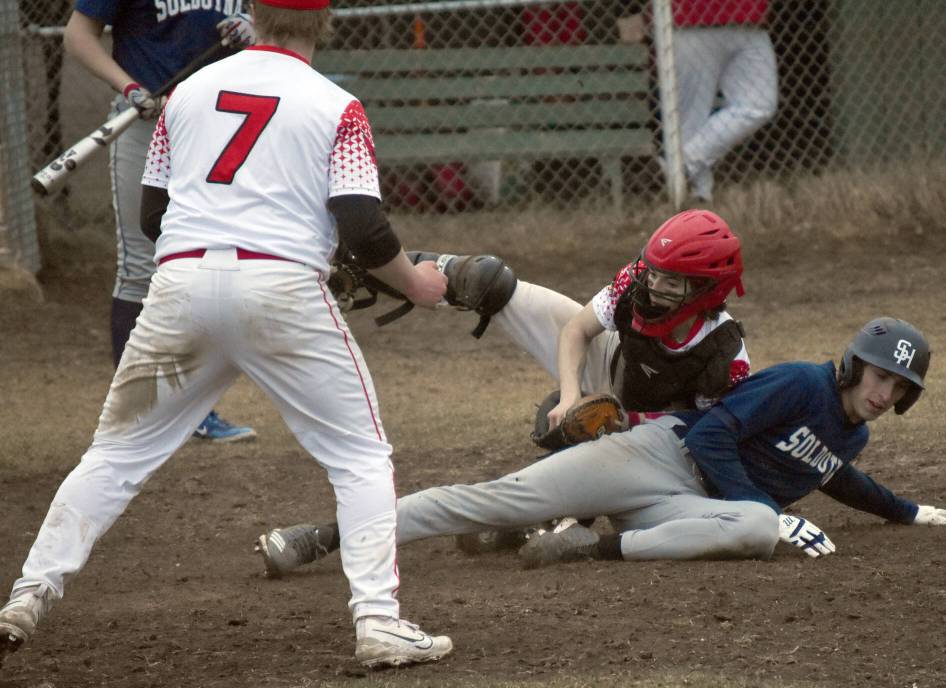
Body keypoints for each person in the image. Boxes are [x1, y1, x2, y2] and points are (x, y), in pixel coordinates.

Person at [0, 0, 454, 670]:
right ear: (324, 23)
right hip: (281, 290)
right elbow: (364, 226)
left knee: (114, 455)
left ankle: (26, 596)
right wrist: (416, 285)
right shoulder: (338, 105)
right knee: (359, 456)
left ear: (255, 15)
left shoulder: (184, 95)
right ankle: (379, 622)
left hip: (181, 285)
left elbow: (156, 214)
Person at [254, 317, 946, 580]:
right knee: (498, 496)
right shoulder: (798, 384)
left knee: (757, 531)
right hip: (661, 457)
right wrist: (766, 504)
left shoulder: (853, 429)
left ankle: (584, 547)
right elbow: (718, 433)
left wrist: (909, 513)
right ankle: (319, 537)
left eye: (899, 386)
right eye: (881, 375)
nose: (885, 392)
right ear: (854, 365)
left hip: (683, 508)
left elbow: (836, 476)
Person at [256, 209, 755, 575]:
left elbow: (710, 444)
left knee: (492, 498)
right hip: (618, 375)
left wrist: (612, 433)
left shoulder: (724, 355)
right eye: (654, 273)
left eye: (672, 284)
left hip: (660, 453)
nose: (653, 288)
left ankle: (330, 536)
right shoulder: (637, 282)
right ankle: (399, 271)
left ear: (708, 291)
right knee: (492, 282)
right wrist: (569, 397)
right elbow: (577, 330)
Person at [63, 0, 257, 441]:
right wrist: (129, 87)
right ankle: (133, 416)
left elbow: (288, 23)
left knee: (215, 261)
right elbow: (78, 35)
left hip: (222, 123)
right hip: (146, 121)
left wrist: (256, 28)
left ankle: (193, 412)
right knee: (140, 267)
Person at [671, 0, 779, 202]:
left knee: (760, 104)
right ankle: (699, 195)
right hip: (693, 22)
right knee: (692, 116)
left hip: (749, 22)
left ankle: (684, 164)